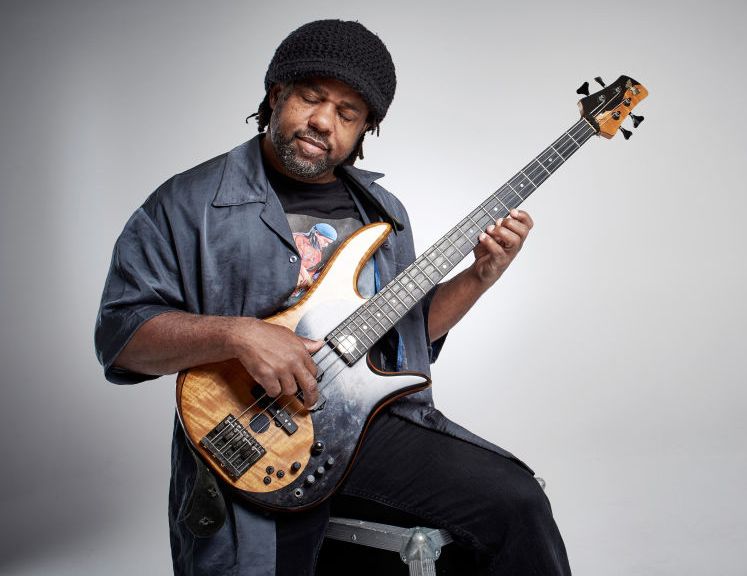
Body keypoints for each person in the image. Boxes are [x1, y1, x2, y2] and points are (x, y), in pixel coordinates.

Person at [94, 19, 571, 576]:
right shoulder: (187, 203)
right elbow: (121, 338)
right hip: (255, 438)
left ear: (365, 128)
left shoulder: (383, 213)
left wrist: (478, 278)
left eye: (348, 113)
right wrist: (238, 334)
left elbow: (405, 341)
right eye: (311, 98)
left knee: (515, 502)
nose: (324, 122)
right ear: (276, 95)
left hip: (364, 431)